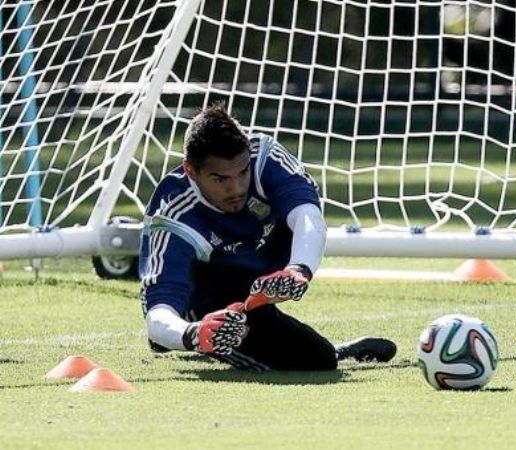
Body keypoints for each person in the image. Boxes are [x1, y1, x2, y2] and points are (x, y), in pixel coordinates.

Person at [138, 102, 396, 371]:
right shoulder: (173, 216)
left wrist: (299, 269)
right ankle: (190, 327)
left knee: (293, 215)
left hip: (258, 271)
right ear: (191, 171)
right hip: (212, 295)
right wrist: (192, 333)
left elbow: (308, 215)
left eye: (242, 172)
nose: (237, 188)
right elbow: (157, 315)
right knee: (317, 360)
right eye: (220, 179)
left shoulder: (265, 157)